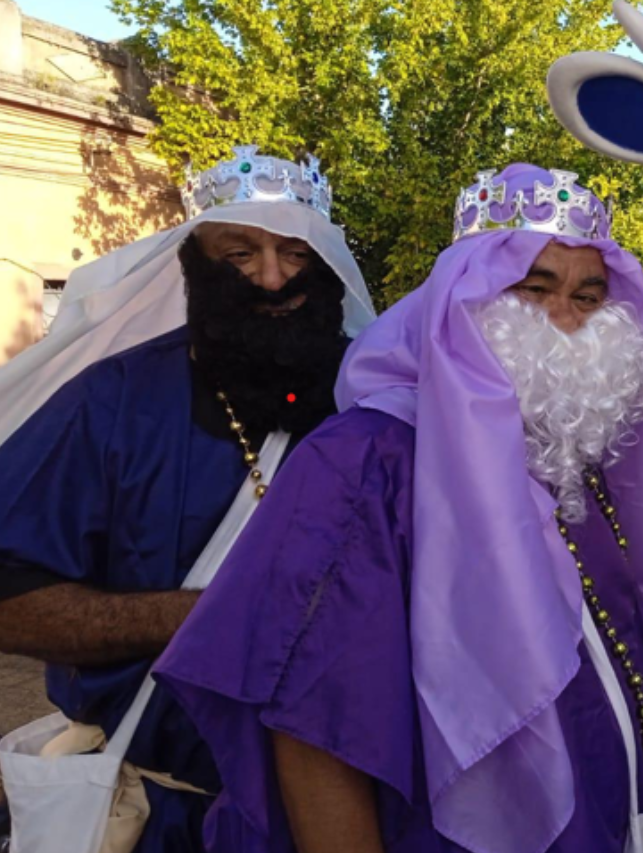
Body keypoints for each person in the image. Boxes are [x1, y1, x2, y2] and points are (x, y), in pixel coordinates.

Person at [154, 164, 643, 853]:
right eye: (533, 289)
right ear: (463, 300)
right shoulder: (366, 457)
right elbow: (313, 724)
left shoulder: (558, 454)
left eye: (587, 296)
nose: (564, 323)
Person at [0, 146, 375, 853]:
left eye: (296, 255)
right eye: (239, 254)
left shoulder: (377, 404)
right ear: (195, 266)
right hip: (163, 817)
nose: (272, 278)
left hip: (342, 817)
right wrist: (207, 618)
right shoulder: (113, 403)